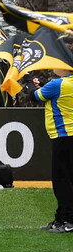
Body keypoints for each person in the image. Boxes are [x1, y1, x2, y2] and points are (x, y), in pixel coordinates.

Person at [32, 67, 73, 233]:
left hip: (63, 137)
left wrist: (29, 82)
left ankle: (68, 220)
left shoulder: (58, 84)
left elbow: (34, 97)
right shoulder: (60, 84)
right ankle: (61, 218)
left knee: (62, 181)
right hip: (68, 137)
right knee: (67, 180)